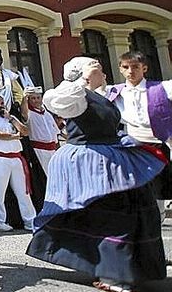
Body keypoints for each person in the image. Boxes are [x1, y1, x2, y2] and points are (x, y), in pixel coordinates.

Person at [28, 57, 167, 292]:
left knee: (139, 209)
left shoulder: (103, 95)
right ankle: (113, 275)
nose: (103, 72)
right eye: (97, 68)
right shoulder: (76, 95)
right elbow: (53, 100)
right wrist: (82, 81)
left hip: (112, 157)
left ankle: (133, 268)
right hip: (89, 162)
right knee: (110, 214)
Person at [106, 51, 172, 229]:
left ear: (144, 68)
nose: (130, 71)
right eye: (126, 67)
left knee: (157, 193)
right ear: (120, 69)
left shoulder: (161, 88)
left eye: (135, 67)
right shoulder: (114, 92)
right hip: (132, 145)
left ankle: (157, 226)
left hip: (160, 144)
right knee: (135, 191)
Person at [0, 94, 36, 232]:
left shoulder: (9, 118)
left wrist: (11, 118)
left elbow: (25, 131)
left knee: (23, 191)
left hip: (16, 158)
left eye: (1, 102)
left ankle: (30, 220)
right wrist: (15, 137)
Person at [20, 87, 60, 175]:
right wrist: (24, 98)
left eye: (38, 98)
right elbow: (23, 113)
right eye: (33, 98)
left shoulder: (47, 113)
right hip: (40, 150)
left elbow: (55, 132)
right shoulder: (29, 113)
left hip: (53, 149)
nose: (36, 100)